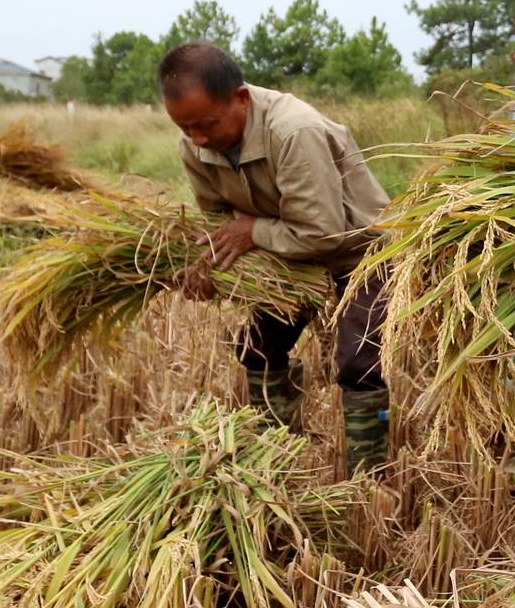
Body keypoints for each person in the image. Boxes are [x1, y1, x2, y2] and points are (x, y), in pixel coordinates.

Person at [158, 41, 392, 470]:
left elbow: (323, 232)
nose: (198, 139)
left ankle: (370, 478)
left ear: (240, 99)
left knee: (359, 362)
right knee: (258, 349)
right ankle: (277, 458)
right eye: (185, 127)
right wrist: (208, 266)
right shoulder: (195, 145)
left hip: (359, 251)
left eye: (206, 124)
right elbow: (219, 220)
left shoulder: (292, 131)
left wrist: (253, 231)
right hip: (287, 251)